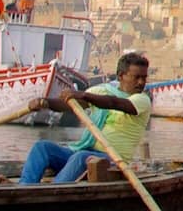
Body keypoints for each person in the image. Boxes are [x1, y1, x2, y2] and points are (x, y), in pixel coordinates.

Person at [20, 53, 151, 184]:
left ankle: (52, 191)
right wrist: (45, 102)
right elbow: (70, 105)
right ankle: (24, 188)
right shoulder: (103, 92)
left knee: (81, 157)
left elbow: (113, 103)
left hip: (113, 161)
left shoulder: (142, 100)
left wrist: (83, 95)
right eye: (137, 77)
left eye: (144, 78)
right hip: (84, 152)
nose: (141, 82)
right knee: (42, 147)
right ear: (121, 75)